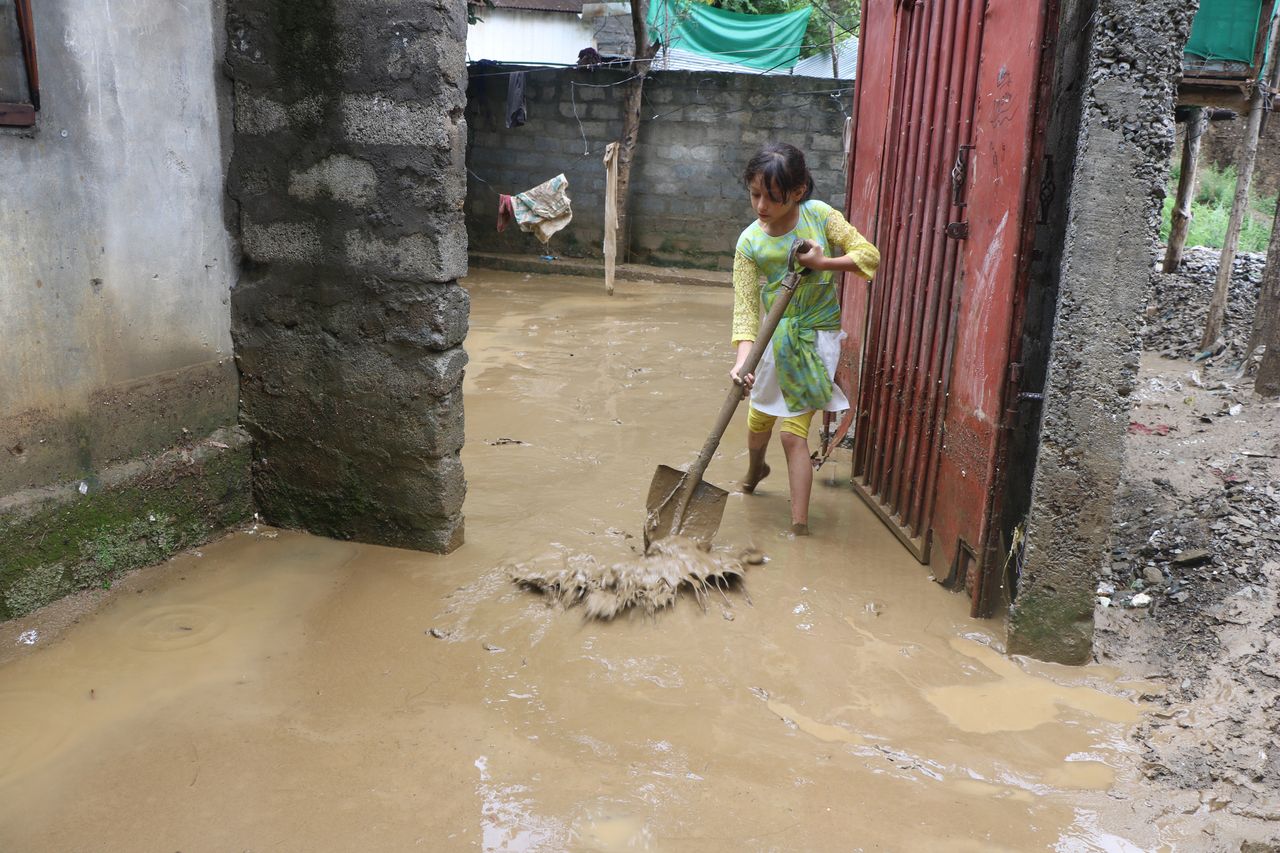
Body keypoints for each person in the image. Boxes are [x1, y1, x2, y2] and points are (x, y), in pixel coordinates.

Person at [729, 142, 880, 536]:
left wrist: (823, 263)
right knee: (759, 416)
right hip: (772, 337)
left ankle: (799, 529)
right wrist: (742, 362)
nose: (761, 206)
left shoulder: (820, 217)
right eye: (754, 195)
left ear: (797, 193)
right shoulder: (749, 243)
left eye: (772, 198)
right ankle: (754, 471)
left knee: (793, 434)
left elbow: (869, 256)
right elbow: (745, 312)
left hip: (817, 337)